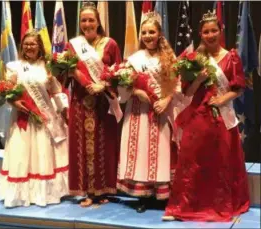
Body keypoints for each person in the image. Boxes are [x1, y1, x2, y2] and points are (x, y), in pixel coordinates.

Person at [163, 11, 249, 221]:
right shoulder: (193, 58)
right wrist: (198, 79)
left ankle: (219, 205)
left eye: (214, 31)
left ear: (220, 31)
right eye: (206, 32)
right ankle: (185, 206)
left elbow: (239, 88)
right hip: (198, 117)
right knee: (192, 163)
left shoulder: (231, 57)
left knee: (220, 163)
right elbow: (188, 93)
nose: (210, 35)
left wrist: (222, 100)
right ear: (200, 34)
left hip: (221, 118)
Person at [0, 31, 69, 207]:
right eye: (26, 44)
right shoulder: (14, 66)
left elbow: (56, 90)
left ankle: (45, 193)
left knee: (43, 154)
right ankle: (22, 195)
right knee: (22, 155)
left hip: (44, 119)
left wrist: (64, 111)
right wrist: (14, 102)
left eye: (33, 44)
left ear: (40, 47)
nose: (29, 47)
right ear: (22, 46)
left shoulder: (48, 66)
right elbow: (8, 91)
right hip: (23, 119)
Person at [117, 13, 179, 213]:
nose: (147, 36)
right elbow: (123, 86)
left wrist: (166, 100)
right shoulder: (135, 59)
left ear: (159, 33)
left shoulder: (169, 58)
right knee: (140, 150)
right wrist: (136, 91)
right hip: (139, 113)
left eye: (151, 32)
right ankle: (143, 195)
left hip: (161, 111)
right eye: (144, 32)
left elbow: (177, 84)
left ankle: (161, 194)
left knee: (160, 152)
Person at [67, 1, 122, 207]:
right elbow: (68, 70)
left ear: (98, 22)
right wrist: (86, 82)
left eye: (91, 20)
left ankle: (105, 189)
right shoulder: (73, 45)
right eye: (84, 20)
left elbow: (118, 73)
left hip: (103, 102)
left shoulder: (111, 44)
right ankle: (89, 191)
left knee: (104, 145)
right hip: (81, 102)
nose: (87, 24)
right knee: (83, 146)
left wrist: (103, 86)